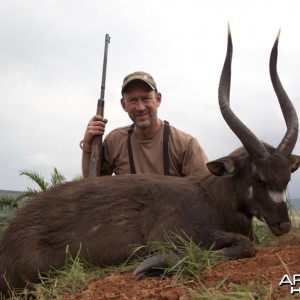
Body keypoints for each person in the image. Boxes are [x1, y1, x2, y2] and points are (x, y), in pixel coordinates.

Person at [80, 71, 208, 177]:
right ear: (124, 104)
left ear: (158, 99)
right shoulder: (114, 141)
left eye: (146, 98)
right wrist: (87, 145)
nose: (140, 107)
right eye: (132, 100)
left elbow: (207, 191)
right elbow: (93, 186)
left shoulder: (186, 145)